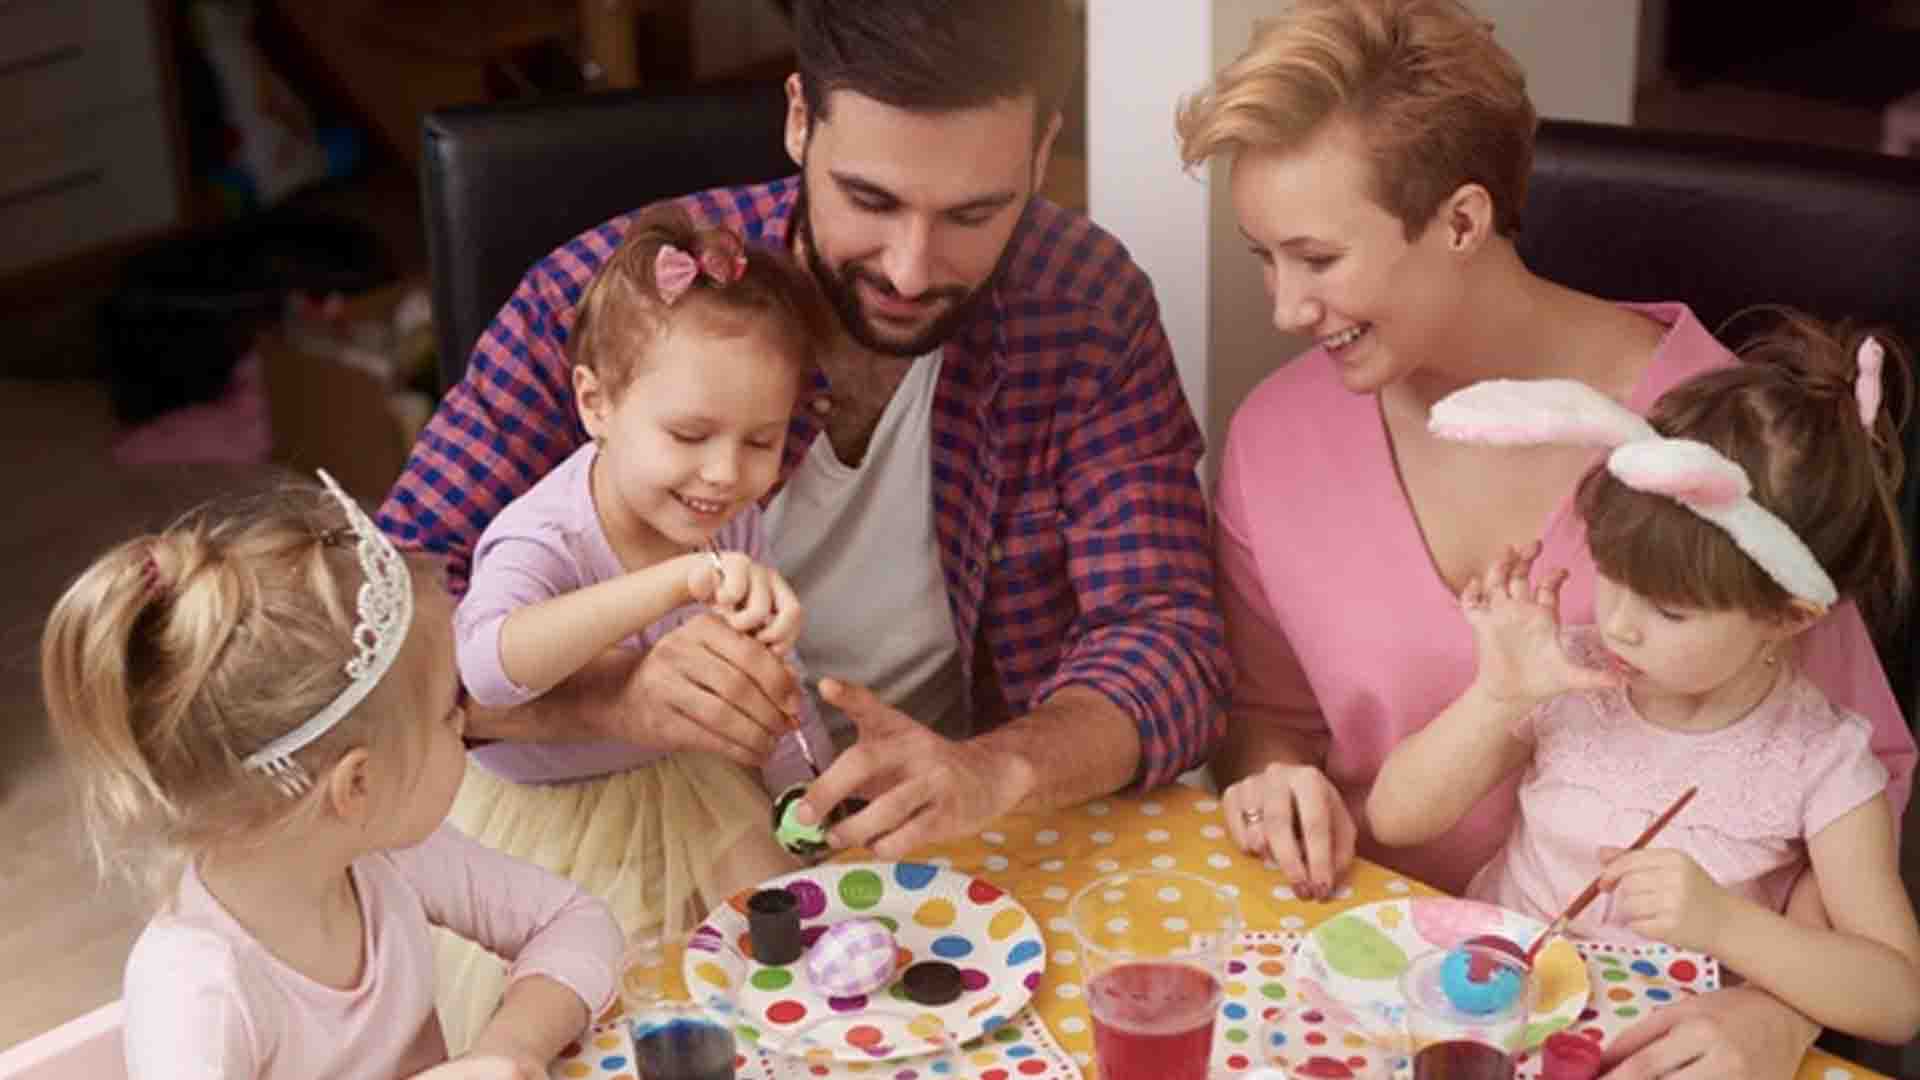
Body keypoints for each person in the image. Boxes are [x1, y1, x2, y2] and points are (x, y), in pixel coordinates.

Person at [1175, 0, 1914, 1074]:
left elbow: (1853, 777)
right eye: (1263, 257)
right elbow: (1267, 723)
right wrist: (1271, 781)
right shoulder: (1276, 439)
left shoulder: (1721, 448)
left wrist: (1776, 1007)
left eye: (1317, 257)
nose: (1285, 306)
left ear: (1464, 222)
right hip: (1376, 991)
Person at [379, 0, 1227, 868]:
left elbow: (1169, 643)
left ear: (1044, 153)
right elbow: (373, 634)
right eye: (870, 199)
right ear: (798, 120)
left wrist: (994, 770)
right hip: (626, 846)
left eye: (973, 214)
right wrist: (609, 702)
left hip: (948, 835)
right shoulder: (613, 310)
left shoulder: (1084, 307)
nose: (910, 266)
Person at [1368, 317, 1920, 1044]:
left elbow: (1898, 1000)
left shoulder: (1821, 760)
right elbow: (1395, 818)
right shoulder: (1576, 670)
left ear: (1787, 617)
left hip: (1646, 1055)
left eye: (1669, 610)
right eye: (1613, 577)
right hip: (1492, 1024)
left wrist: (1726, 924)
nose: (1620, 623)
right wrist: (1499, 695)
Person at [39, 472, 622, 1080]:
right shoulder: (198, 988)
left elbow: (574, 921)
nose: (466, 722)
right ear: (357, 785)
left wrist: (508, 1047)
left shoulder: (387, 859)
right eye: (448, 715)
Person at [441, 206, 837, 1048]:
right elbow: (484, 667)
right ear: (596, 403)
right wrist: (670, 584)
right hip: (551, 827)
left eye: (761, 441)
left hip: (695, 793)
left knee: (788, 962)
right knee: (611, 1012)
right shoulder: (540, 534)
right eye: (690, 434)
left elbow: (762, 681)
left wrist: (810, 792)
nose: (726, 474)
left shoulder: (726, 514)